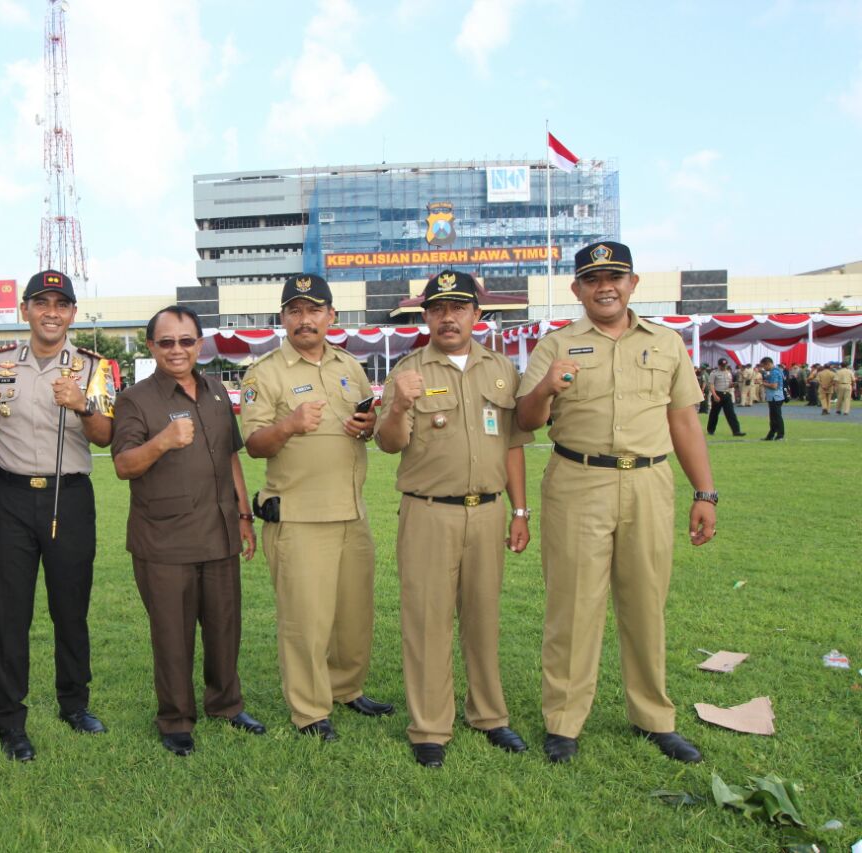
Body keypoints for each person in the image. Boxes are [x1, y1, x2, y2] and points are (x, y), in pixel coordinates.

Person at [515, 241, 717, 765]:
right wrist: (546, 390)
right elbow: (526, 419)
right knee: (574, 605)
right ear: (577, 289)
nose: (605, 286)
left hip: (650, 482)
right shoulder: (555, 345)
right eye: (593, 278)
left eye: (615, 277)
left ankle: (654, 717)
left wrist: (705, 492)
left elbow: (684, 421)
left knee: (646, 604)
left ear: (632, 284)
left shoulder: (668, 343)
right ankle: (563, 722)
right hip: (578, 481)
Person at [375, 270, 532, 769]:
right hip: (428, 512)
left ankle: (489, 715)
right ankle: (430, 727)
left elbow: (512, 445)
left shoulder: (501, 369)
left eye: (459, 307)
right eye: (438, 309)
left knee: (483, 618)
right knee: (427, 621)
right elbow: (388, 442)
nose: (448, 317)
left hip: (488, 512)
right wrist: (399, 403)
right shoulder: (407, 371)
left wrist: (521, 510)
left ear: (476, 315)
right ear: (425, 317)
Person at [240, 273, 393, 741]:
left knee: (353, 616)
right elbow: (253, 443)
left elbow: (368, 426)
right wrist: (287, 425)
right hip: (300, 518)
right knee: (305, 623)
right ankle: (310, 711)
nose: (304, 320)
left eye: (313, 310)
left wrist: (366, 426)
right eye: (294, 311)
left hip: (352, 513)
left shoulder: (350, 365)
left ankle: (347, 688)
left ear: (332, 316)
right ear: (283, 318)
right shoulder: (264, 373)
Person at [0, 269, 113, 763]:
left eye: (61, 303)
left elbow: (105, 437)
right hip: (9, 498)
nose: (52, 311)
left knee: (70, 609)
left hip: (69, 498)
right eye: (42, 302)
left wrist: (83, 406)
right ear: (25, 310)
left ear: (73, 313)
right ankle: (10, 717)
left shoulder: (94, 367)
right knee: (10, 613)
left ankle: (75, 704)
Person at [111, 305, 266, 756]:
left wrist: (243, 516)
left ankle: (226, 704)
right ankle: (176, 719)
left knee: (224, 627)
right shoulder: (136, 400)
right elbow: (123, 465)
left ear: (199, 344)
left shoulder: (217, 391)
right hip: (164, 539)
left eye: (186, 341)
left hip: (219, 533)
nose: (177, 350)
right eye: (166, 342)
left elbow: (230, 456)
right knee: (172, 634)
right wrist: (161, 441)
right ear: (152, 347)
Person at [706, 358, 746, 437]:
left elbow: (729, 383)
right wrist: (714, 395)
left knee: (731, 414)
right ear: (719, 365)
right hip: (718, 394)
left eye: (725, 365)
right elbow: (711, 385)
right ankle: (711, 430)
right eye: (722, 365)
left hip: (727, 394)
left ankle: (736, 431)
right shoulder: (714, 373)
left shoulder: (728, 373)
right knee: (714, 413)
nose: (724, 367)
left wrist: (732, 385)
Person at [758, 357, 785, 441]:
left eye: (764, 366)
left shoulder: (774, 372)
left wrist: (763, 383)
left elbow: (774, 386)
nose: (764, 368)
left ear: (768, 364)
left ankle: (780, 435)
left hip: (775, 397)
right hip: (774, 397)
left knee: (777, 417)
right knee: (773, 417)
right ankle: (771, 435)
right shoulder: (776, 370)